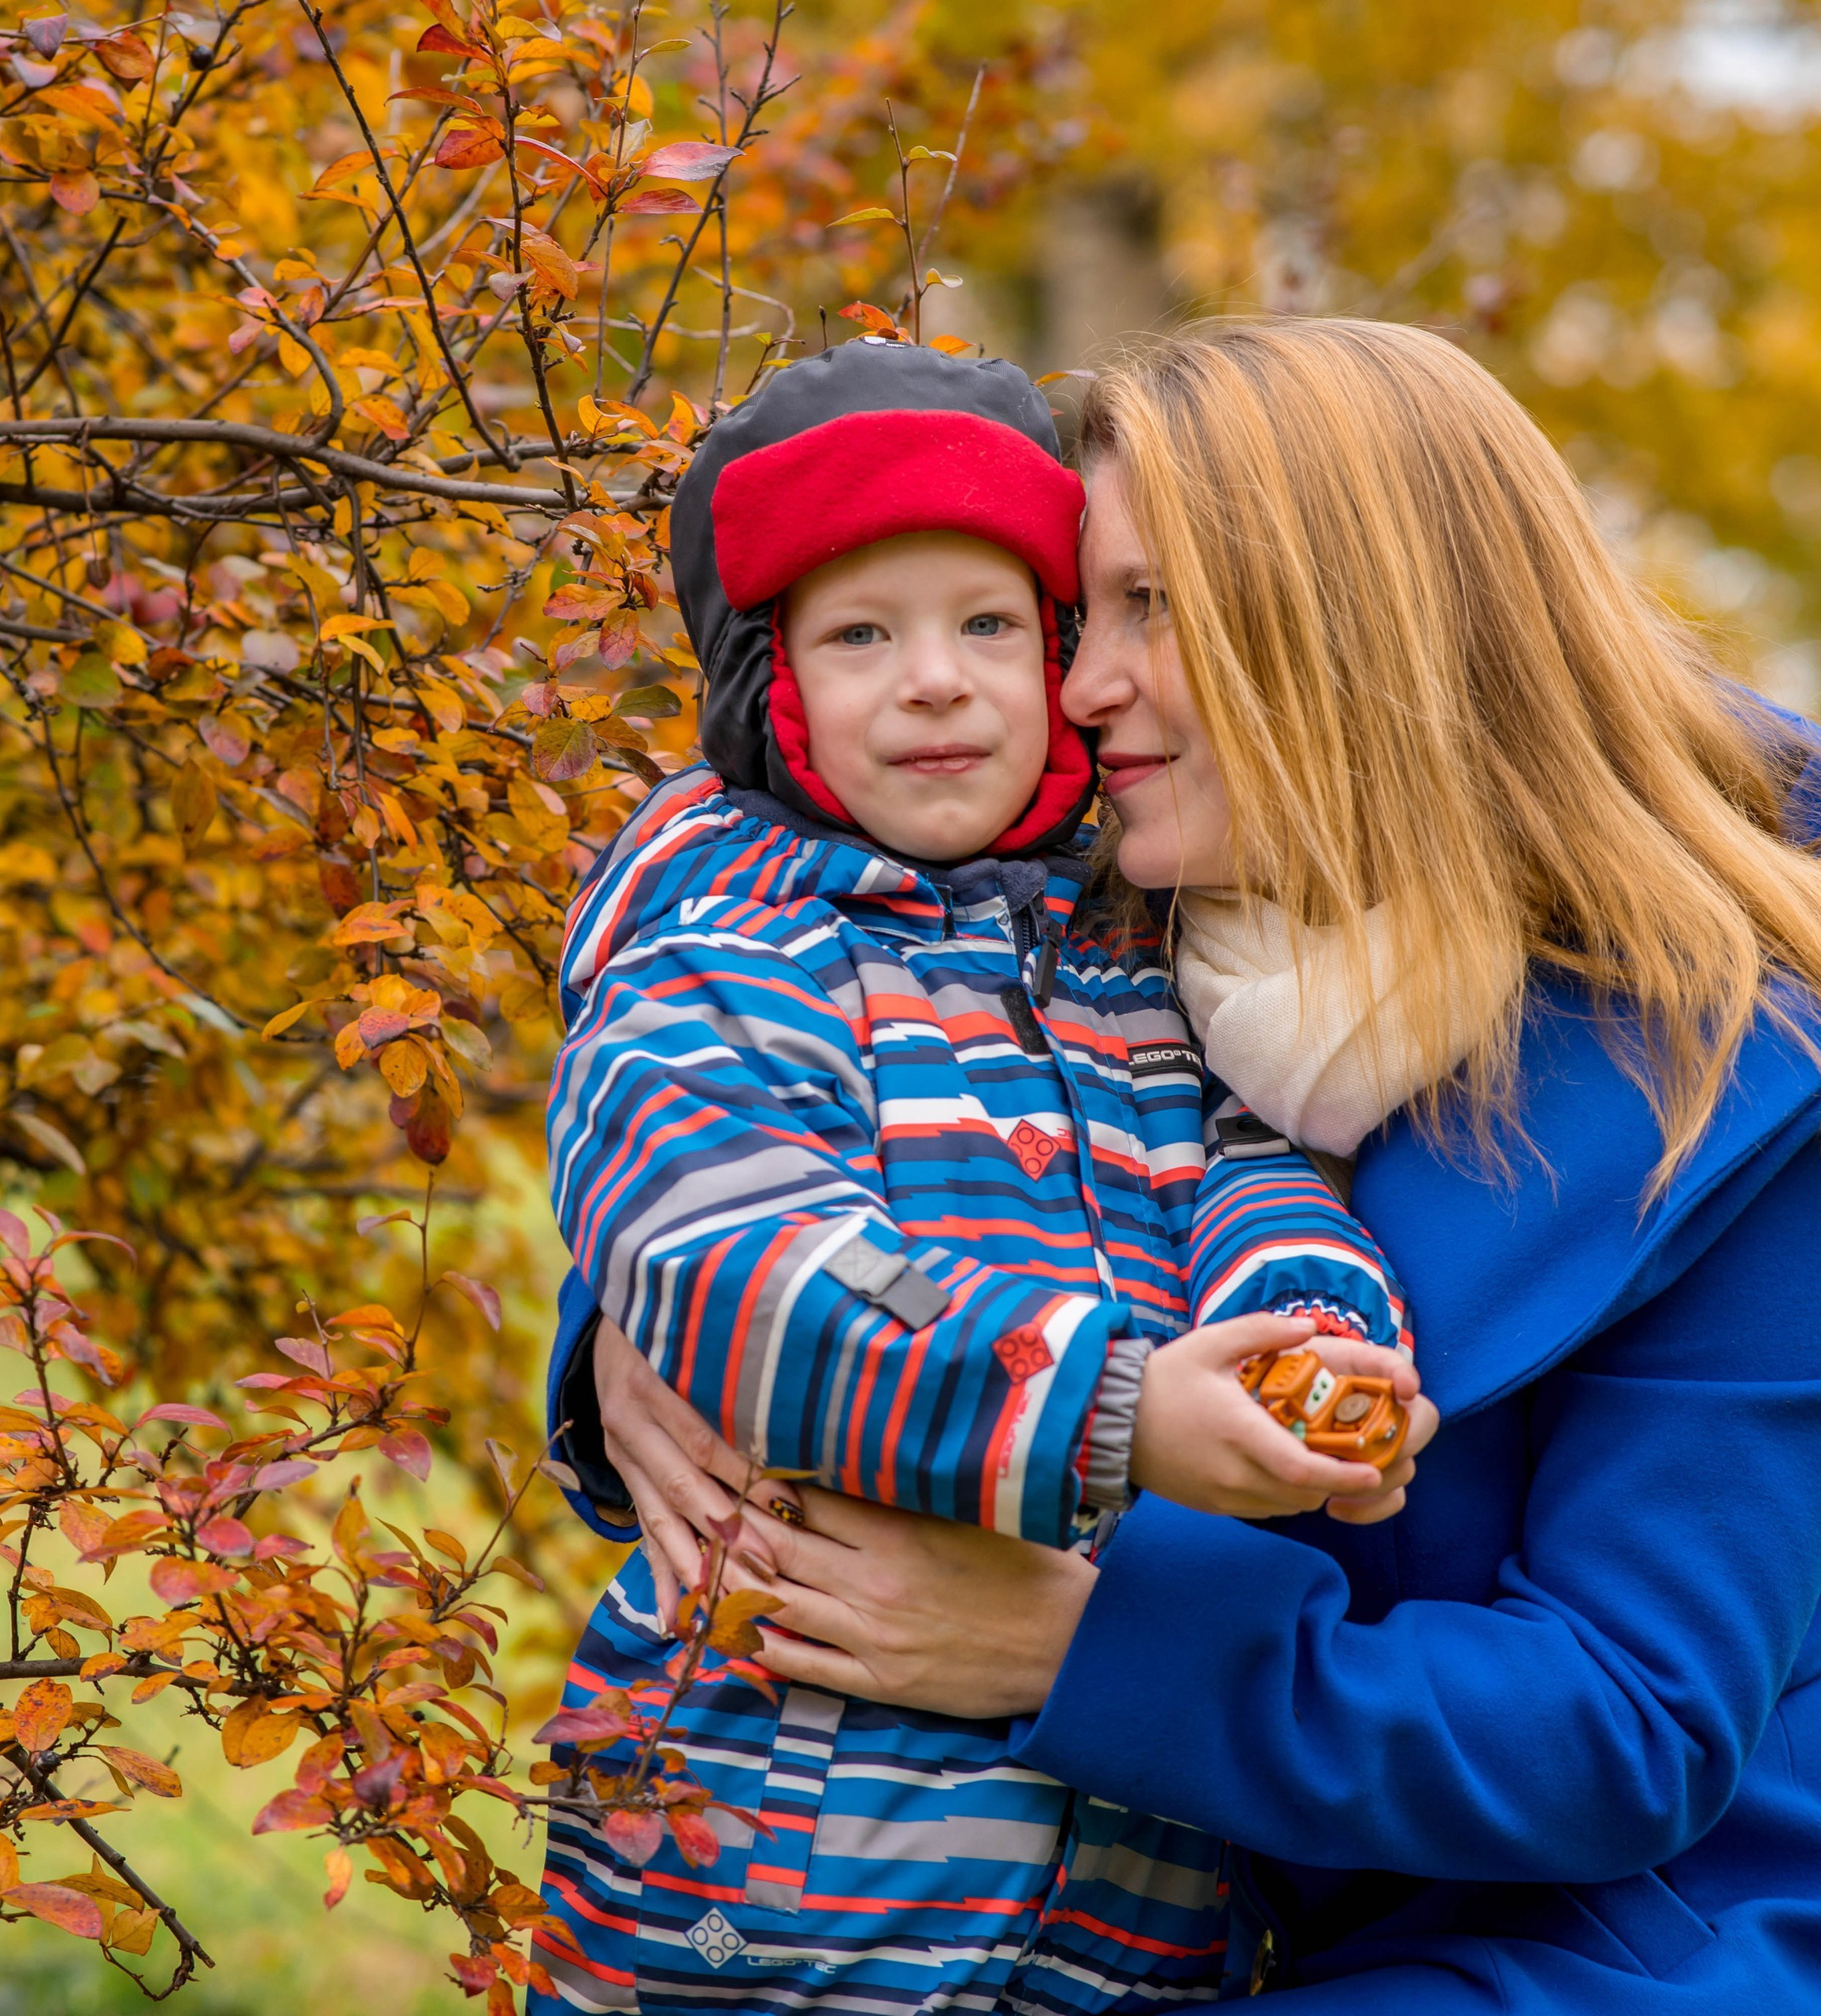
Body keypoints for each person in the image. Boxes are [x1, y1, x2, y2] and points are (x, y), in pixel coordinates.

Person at [569, 317, 1821, 2010]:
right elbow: (811, 1125)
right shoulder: (1126, 924)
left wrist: (1072, 1641)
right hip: (1176, 1915)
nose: (1074, 682)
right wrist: (626, 1334)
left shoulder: (1731, 1079)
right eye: (1080, 615)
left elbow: (1625, 1722)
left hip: (1603, 1946)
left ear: (1350, 628)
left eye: (1146, 611)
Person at [533, 338, 1433, 2015]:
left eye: (988, 626)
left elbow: (1243, 1169)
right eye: (860, 635)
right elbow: (740, 1258)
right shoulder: (720, 954)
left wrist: (1306, 1340)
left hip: (1122, 1892)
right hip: (776, 1864)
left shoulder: (1130, 955)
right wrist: (1115, 1413)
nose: (933, 680)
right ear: (770, 686)